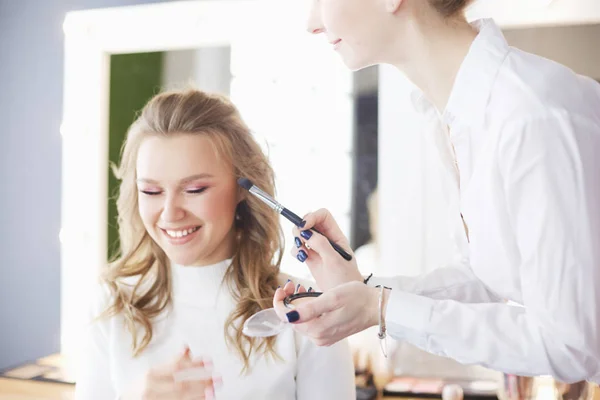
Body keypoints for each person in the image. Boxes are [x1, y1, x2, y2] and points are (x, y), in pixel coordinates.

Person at [274, 0, 600, 384]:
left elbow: (574, 344)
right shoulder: (457, 116)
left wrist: (381, 308)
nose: (312, 23)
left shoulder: (531, 115)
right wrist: (361, 291)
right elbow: (488, 278)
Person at [74, 88, 355, 399]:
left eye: (194, 189)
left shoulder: (309, 313)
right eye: (152, 192)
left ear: (243, 189)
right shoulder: (112, 304)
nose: (170, 213)